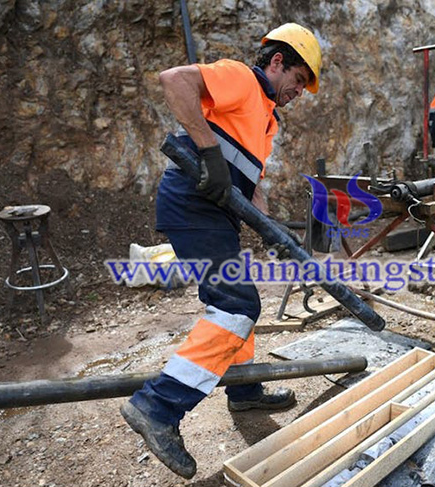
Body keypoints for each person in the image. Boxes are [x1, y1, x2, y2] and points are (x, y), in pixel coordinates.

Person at [119, 23, 322, 479]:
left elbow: (251, 185)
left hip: (217, 214)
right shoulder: (241, 79)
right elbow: (175, 80)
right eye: (299, 79)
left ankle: (244, 388)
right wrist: (208, 153)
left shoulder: (266, 119)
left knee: (239, 299)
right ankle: (158, 406)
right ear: (277, 62)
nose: (300, 91)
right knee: (235, 303)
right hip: (192, 205)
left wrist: (270, 228)